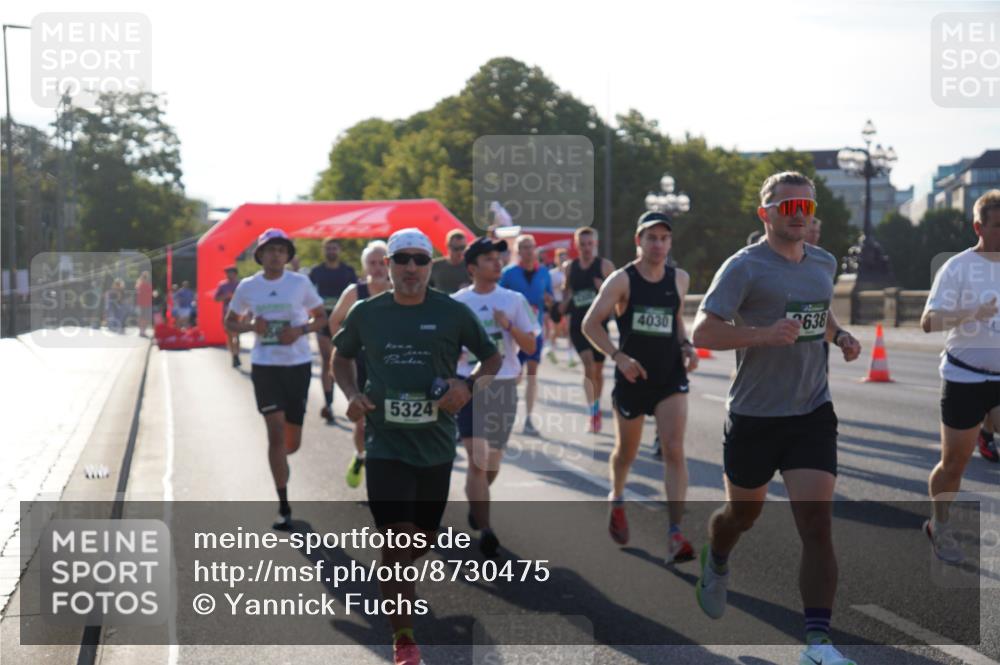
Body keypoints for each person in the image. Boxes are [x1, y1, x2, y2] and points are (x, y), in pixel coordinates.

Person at [692, 171, 862, 665]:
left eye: (806, 207)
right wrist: (762, 335)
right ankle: (717, 556)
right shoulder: (743, 268)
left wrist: (840, 336)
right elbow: (704, 329)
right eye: (788, 207)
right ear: (765, 214)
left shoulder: (824, 262)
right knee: (741, 516)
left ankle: (817, 644)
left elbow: (820, 311)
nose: (799, 215)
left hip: (811, 411)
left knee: (816, 524)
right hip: (753, 415)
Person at [332, 228, 501, 665]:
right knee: (397, 541)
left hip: (436, 447)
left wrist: (467, 385)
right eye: (401, 259)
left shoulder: (452, 312)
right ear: (386, 265)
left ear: (430, 266)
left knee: (419, 541)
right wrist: (351, 394)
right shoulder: (367, 312)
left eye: (419, 260)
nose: (410, 268)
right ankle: (404, 638)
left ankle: (399, 582)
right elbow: (340, 357)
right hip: (386, 444)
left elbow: (493, 357)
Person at [583, 212, 699, 562]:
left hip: (669, 377)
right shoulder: (622, 280)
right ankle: (617, 496)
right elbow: (591, 324)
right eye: (651, 238)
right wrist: (618, 357)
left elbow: (676, 319)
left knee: (674, 451)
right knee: (626, 453)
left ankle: (675, 533)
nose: (658, 244)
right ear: (639, 241)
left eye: (664, 238)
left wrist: (687, 346)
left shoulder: (679, 278)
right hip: (633, 378)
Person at [225, 229, 327, 530]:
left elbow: (321, 317)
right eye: (271, 250)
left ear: (288, 255)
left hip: (297, 365)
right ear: (260, 255)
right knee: (275, 433)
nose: (276, 255)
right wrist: (250, 326)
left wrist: (301, 330)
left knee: (290, 443)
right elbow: (229, 322)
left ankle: (282, 462)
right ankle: (283, 505)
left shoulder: (300, 283)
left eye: (282, 250)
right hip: (265, 366)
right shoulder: (248, 286)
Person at [920, 189, 1000, 563]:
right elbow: (928, 322)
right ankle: (940, 523)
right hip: (965, 376)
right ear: (978, 226)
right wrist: (971, 313)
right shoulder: (957, 268)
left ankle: (990, 427)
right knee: (955, 464)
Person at [454, 237, 540, 557]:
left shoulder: (513, 300)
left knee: (492, 463)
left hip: (503, 385)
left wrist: (508, 328)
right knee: (477, 460)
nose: (497, 262)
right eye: (489, 259)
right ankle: (487, 530)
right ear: (473, 267)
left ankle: (477, 503)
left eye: (498, 257)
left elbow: (530, 347)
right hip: (470, 384)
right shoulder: (457, 302)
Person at [328, 240, 391, 489]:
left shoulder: (399, 291)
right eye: (372, 263)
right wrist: (344, 350)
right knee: (362, 421)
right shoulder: (356, 292)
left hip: (391, 365)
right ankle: (361, 456)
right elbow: (334, 321)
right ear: (365, 266)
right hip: (360, 364)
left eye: (381, 262)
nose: (377, 268)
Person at [563, 227, 615, 433]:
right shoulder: (570, 267)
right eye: (582, 244)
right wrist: (560, 307)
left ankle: (596, 408)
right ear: (577, 246)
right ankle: (591, 411)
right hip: (578, 325)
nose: (586, 248)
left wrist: (602, 286)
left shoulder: (605, 266)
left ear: (596, 245)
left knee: (599, 371)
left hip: (599, 326)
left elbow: (618, 294)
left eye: (589, 244)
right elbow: (567, 293)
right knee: (588, 365)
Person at [500, 234, 553, 435]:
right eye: (523, 247)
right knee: (514, 376)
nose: (528, 251)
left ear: (535, 249)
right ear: (518, 251)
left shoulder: (545, 274)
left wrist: (548, 301)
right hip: (512, 334)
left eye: (530, 247)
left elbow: (549, 300)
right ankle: (507, 412)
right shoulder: (509, 273)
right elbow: (499, 296)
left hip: (534, 331)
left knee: (532, 373)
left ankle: (529, 419)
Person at [309, 238, 358, 423]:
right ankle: (328, 402)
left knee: (346, 360)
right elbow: (308, 294)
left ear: (339, 250)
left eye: (334, 248)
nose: (331, 251)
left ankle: (352, 398)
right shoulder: (316, 271)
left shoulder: (348, 271)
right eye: (328, 248)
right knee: (326, 361)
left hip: (343, 323)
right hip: (323, 322)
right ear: (324, 250)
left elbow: (357, 296)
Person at [547, 248, 572, 365]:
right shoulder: (552, 274)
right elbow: (549, 290)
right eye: (560, 257)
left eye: (565, 257)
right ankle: (551, 350)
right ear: (556, 260)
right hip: (556, 304)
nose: (563, 260)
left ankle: (570, 357)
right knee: (556, 331)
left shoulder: (570, 272)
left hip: (567, 304)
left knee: (569, 330)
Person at [214, 265, 241, 367]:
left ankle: (237, 354)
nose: (228, 275)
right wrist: (225, 296)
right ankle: (233, 355)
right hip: (226, 314)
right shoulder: (222, 285)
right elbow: (216, 299)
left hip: (239, 314)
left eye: (230, 273)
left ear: (235, 274)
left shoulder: (240, 285)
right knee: (229, 335)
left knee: (237, 336)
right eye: (227, 273)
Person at [429, 229, 471, 294]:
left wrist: (470, 288)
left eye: (463, 248)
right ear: (448, 246)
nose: (460, 252)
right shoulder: (435, 266)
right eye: (456, 249)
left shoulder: (472, 266)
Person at [135, 271, 153, 337]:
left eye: (146, 277)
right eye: (144, 277)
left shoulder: (147, 285)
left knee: (146, 318)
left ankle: (142, 331)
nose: (146, 278)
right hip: (141, 304)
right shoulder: (140, 285)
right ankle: (141, 331)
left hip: (147, 304)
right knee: (142, 318)